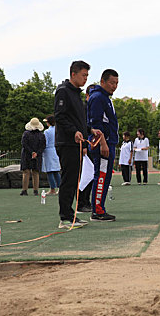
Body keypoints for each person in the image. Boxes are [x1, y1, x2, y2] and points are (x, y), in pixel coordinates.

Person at [55, 60, 100, 229]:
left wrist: (90, 130)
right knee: (68, 179)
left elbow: (77, 120)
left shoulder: (76, 94)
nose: (86, 79)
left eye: (87, 75)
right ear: (73, 74)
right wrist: (73, 131)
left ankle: (69, 213)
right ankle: (64, 217)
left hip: (77, 142)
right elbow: (60, 116)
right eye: (83, 75)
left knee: (74, 180)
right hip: (66, 142)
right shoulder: (63, 92)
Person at [87, 69, 119, 222]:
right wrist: (103, 144)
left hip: (109, 142)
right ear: (103, 81)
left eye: (117, 83)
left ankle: (99, 208)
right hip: (102, 144)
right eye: (112, 83)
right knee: (101, 176)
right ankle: (98, 211)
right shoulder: (98, 97)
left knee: (105, 177)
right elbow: (95, 124)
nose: (114, 86)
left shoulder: (105, 97)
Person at [77, 84, 98, 213]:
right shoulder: (83, 108)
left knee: (90, 175)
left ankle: (86, 201)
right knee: (84, 176)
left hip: (91, 145)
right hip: (84, 145)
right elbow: (82, 126)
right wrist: (84, 145)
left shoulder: (92, 108)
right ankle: (81, 203)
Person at [20, 118, 46, 196]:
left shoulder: (26, 134)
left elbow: (24, 144)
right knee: (36, 172)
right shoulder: (42, 135)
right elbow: (43, 146)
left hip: (26, 154)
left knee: (26, 172)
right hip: (37, 156)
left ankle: (24, 190)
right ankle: (35, 190)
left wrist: (31, 152)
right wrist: (37, 153)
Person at [42, 115, 61, 195]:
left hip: (49, 151)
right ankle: (60, 188)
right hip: (56, 149)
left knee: (49, 171)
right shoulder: (58, 130)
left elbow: (45, 143)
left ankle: (52, 189)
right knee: (56, 171)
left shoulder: (47, 131)